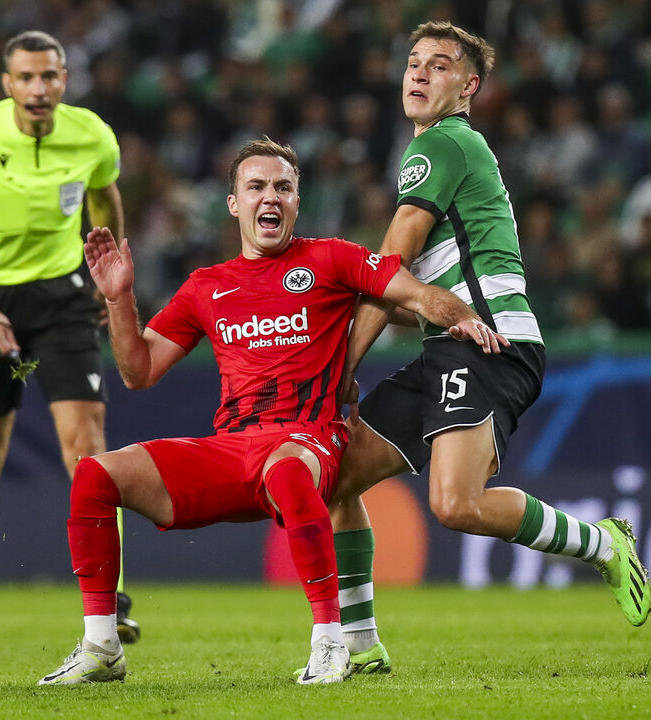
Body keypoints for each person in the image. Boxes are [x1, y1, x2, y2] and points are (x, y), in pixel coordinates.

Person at [37, 138, 507, 685]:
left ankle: (331, 645)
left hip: (310, 439)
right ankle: (101, 645)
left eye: (283, 187)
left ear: (296, 201)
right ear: (234, 203)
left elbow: (417, 293)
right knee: (95, 474)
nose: (271, 197)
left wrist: (462, 316)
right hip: (231, 447)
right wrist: (119, 299)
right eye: (256, 187)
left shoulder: (332, 258)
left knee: (286, 469)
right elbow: (138, 371)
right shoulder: (205, 287)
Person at [325, 21, 651, 675]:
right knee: (336, 478)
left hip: (490, 344)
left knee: (455, 503)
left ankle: (603, 544)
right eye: (413, 63)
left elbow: (388, 266)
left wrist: (340, 368)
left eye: (439, 66)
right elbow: (399, 285)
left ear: (469, 87)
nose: (419, 74)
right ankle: (360, 647)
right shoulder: (440, 149)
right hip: (449, 346)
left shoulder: (442, 145)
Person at [0, 30, 140, 643]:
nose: (39, 89)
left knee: (89, 451)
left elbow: (105, 196)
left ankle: (110, 595)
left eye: (50, 76)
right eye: (27, 78)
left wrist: (110, 283)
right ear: (7, 84)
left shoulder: (92, 134)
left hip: (62, 297)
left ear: (64, 78)